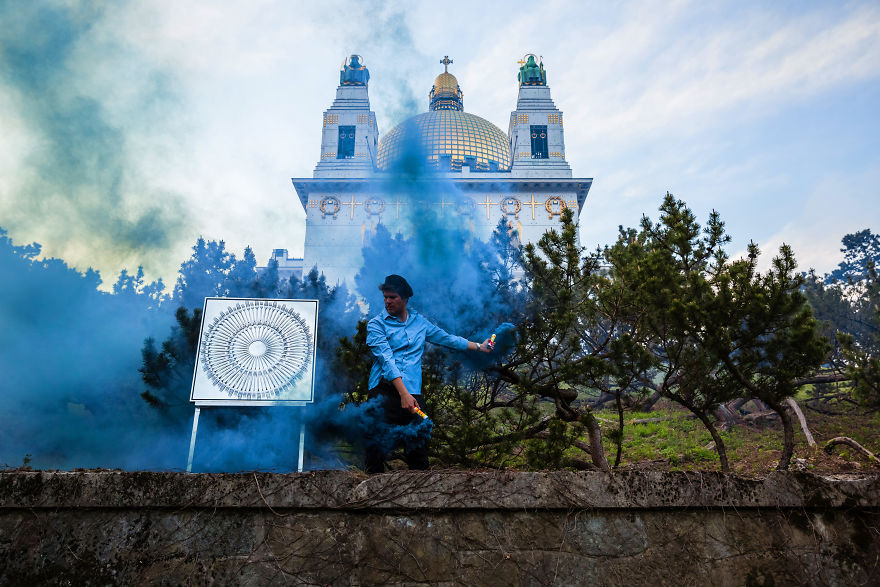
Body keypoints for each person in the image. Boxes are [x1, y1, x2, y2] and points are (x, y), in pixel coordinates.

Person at [364, 274, 491, 473]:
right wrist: (403, 394)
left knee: (419, 434)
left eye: (392, 297)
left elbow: (447, 338)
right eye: (385, 297)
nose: (387, 301)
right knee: (375, 442)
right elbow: (386, 360)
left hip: (412, 393)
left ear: (405, 298)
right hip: (383, 391)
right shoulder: (376, 325)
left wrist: (478, 346)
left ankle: (420, 489)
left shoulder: (419, 323)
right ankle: (370, 493)